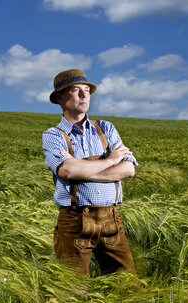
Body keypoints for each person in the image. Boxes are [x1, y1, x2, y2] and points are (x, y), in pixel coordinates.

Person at [42, 69, 138, 276]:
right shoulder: (53, 135)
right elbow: (67, 170)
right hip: (74, 220)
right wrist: (111, 160)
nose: (84, 96)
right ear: (60, 97)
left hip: (111, 217)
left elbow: (129, 169)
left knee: (127, 286)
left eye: (87, 90)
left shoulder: (106, 128)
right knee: (72, 293)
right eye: (76, 91)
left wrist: (81, 169)